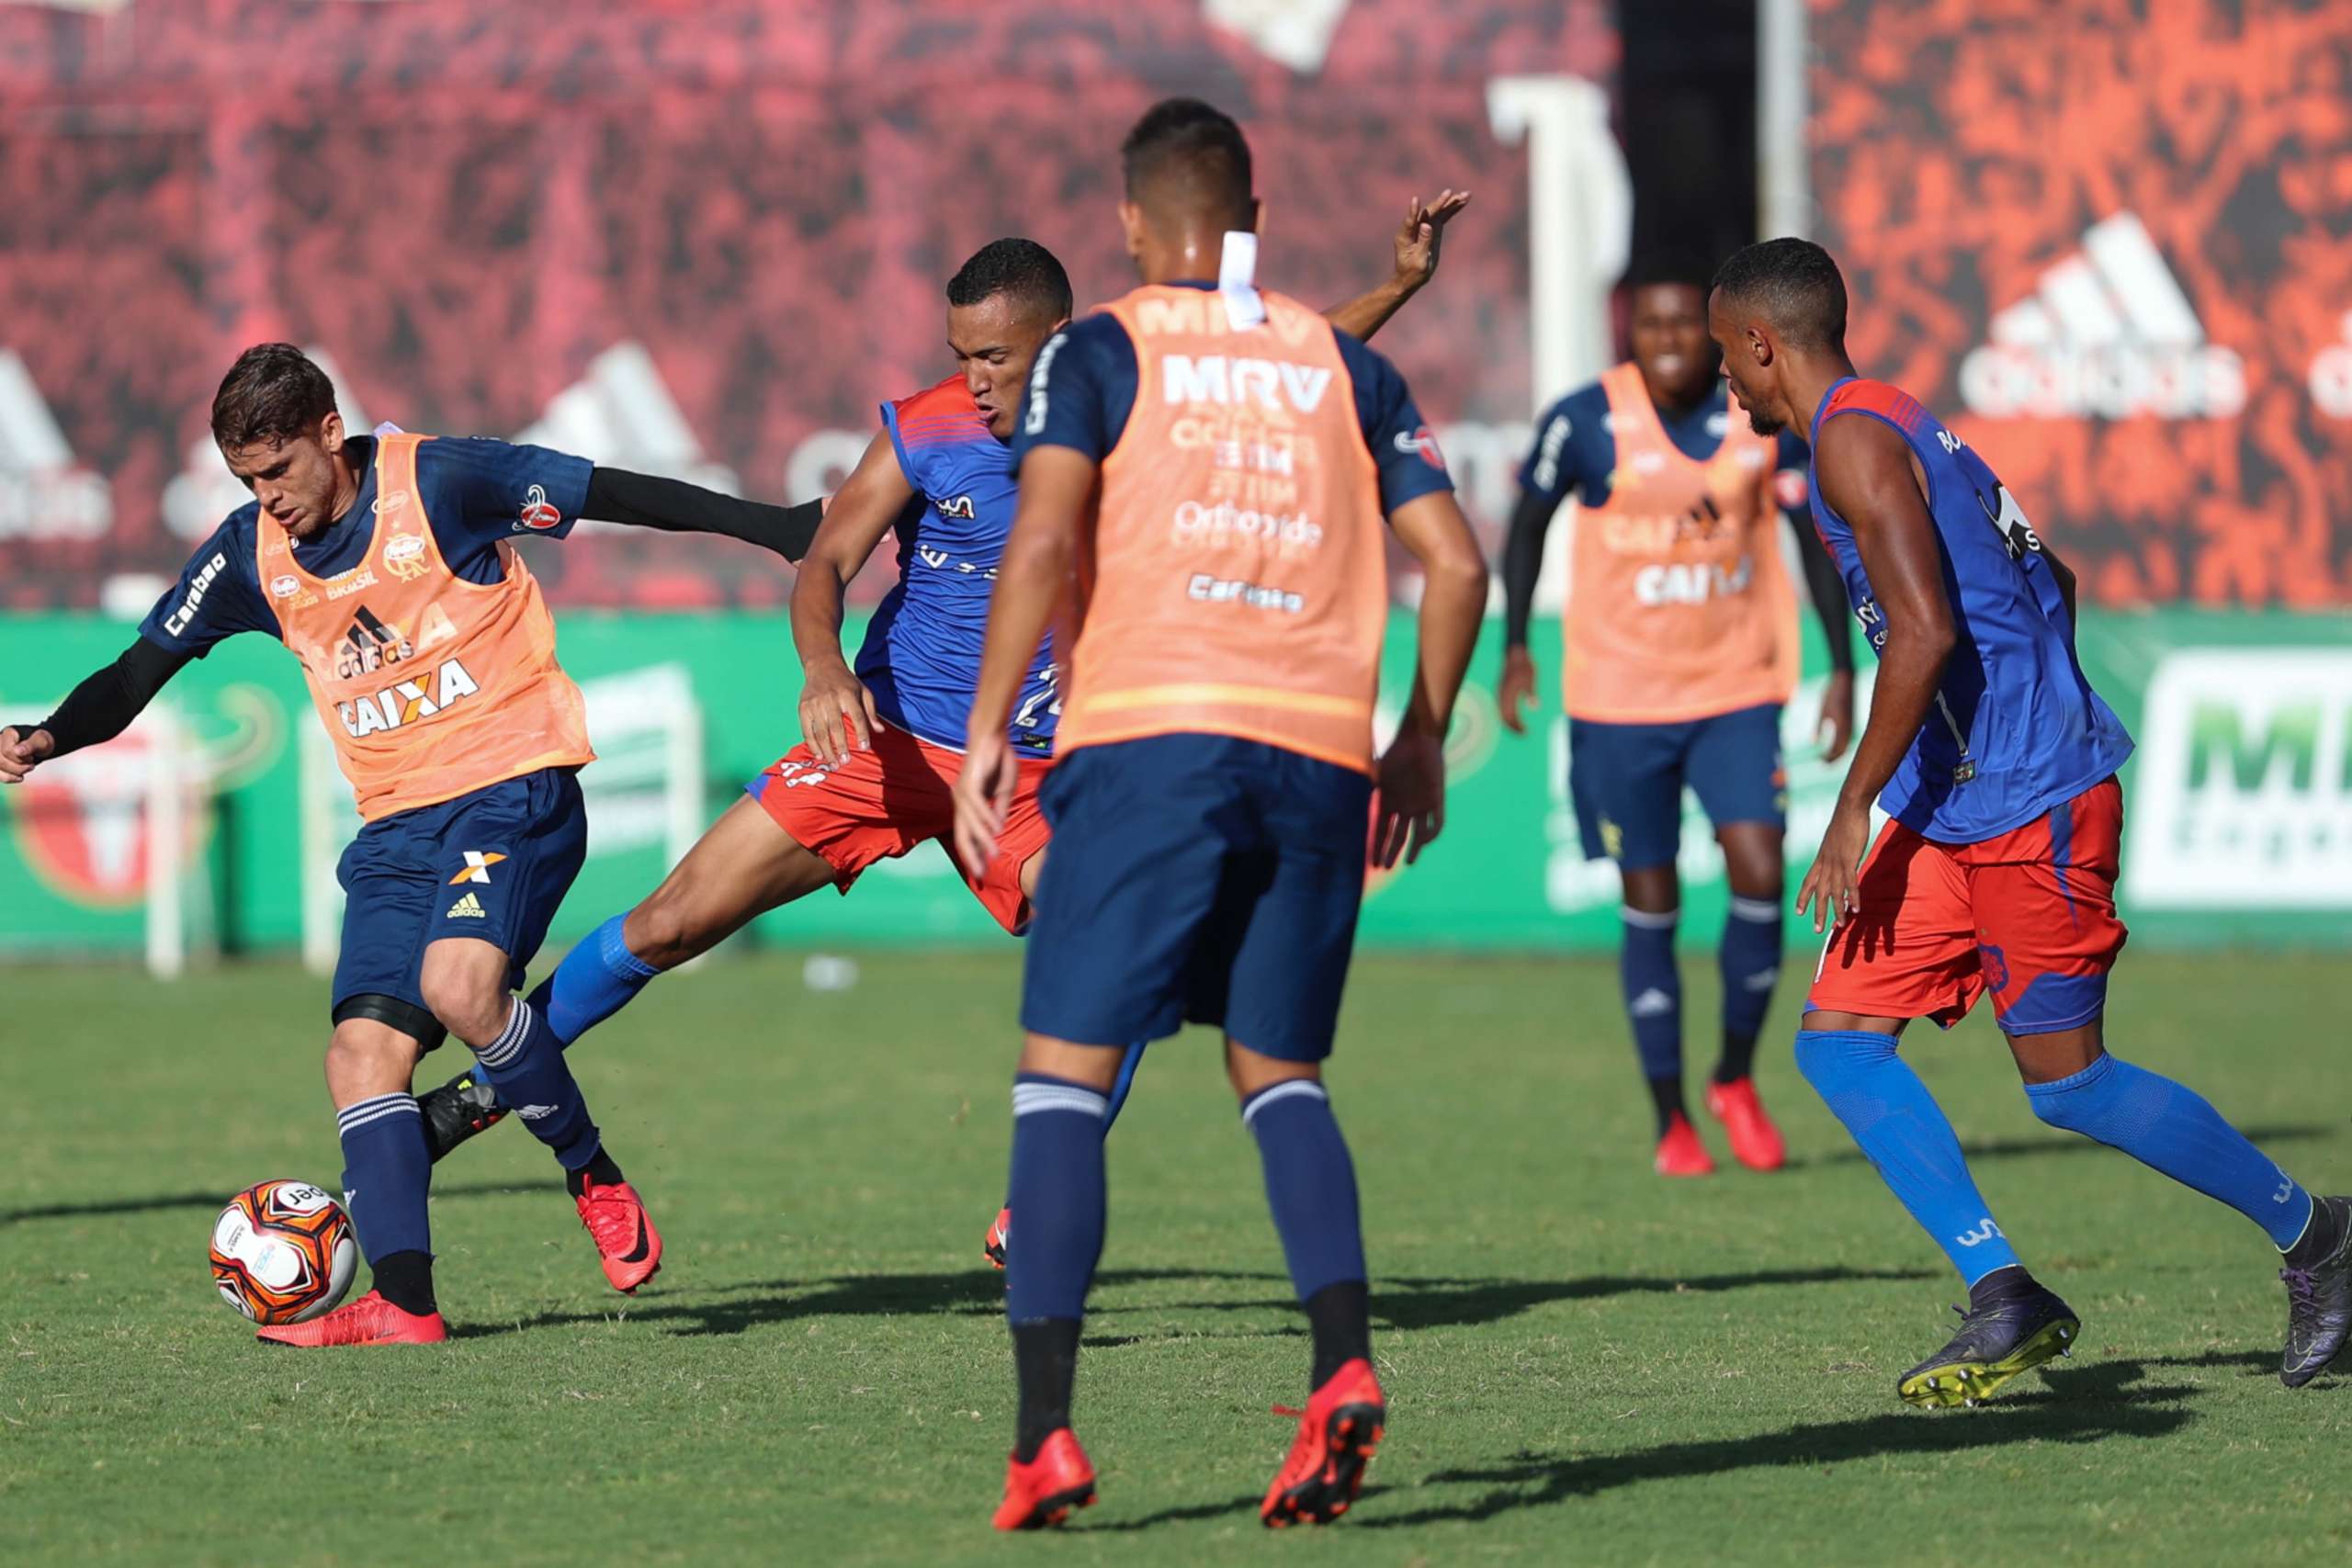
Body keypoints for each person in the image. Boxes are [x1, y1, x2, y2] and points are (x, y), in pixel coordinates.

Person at [410, 207, 1471, 1281]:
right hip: (887, 742)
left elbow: (1285, 364)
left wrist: (1398, 286)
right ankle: (487, 1090)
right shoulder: (928, 428)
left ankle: (1042, 1196)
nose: (971, 379)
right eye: (958, 354)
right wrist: (823, 668)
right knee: (671, 921)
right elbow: (824, 562)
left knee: (1121, 941)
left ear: (1060, 343)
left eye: (994, 356)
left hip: (1035, 774)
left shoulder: (1139, 417)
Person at [0, 345, 820, 1347]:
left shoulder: (439, 481)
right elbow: (138, 671)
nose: (269, 499)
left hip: (511, 789)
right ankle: (404, 1302)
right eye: (246, 482)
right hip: (393, 826)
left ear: (329, 433)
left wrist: (780, 531)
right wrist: (47, 738)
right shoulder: (245, 554)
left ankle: (590, 1172)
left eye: (278, 472)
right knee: (358, 1058)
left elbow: (608, 491)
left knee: (462, 990)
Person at [951, 98, 1487, 1529]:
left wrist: (991, 724)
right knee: (1282, 1074)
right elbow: (1457, 561)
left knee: (1062, 1080)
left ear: (1130, 222)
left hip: (1149, 742)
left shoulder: (1099, 350)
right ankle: (1342, 1364)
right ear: (1251, 210)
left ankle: (1045, 1438)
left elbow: (1050, 531)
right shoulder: (1338, 362)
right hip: (1317, 756)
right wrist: (1419, 735)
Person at [1706, 237, 2351, 1404]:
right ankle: (2004, 1292)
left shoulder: (1851, 439)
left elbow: (1925, 631)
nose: (1727, 386)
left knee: (2067, 1085)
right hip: (1955, 799)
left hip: (2026, 803)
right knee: (1838, 1042)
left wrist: (1854, 802)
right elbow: (2051, 572)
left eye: (1726, 361)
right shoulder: (1895, 419)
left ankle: (2318, 1238)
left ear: (1761, 344)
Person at [1498, 252, 1855, 1178]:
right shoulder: (1584, 421)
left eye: (1678, 326)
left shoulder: (1755, 419)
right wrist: (1513, 647)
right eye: (1647, 326)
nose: (1665, 342)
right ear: (1629, 333)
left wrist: (1841, 665)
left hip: (1735, 690)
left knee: (1759, 869)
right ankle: (1670, 1119)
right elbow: (1527, 524)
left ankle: (1733, 1077)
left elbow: (1812, 539)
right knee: (1648, 900)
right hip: (1619, 704)